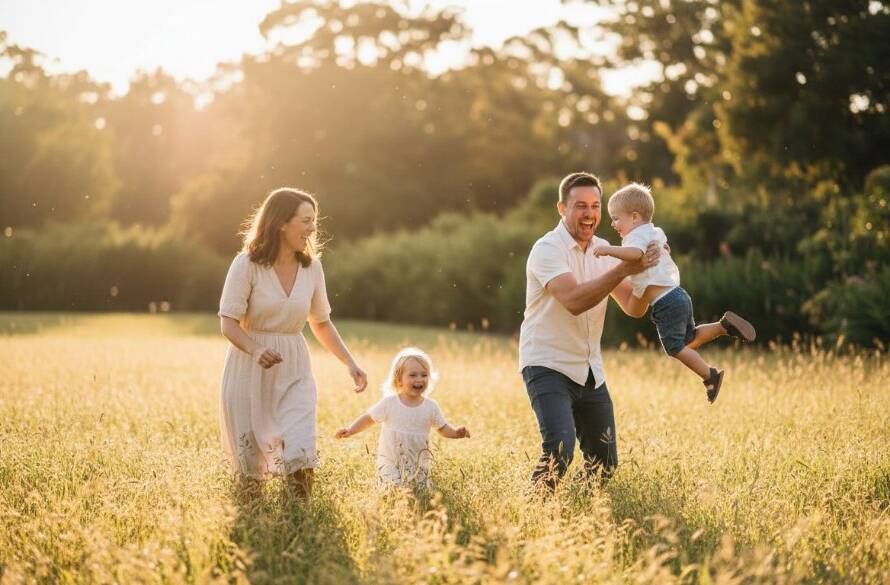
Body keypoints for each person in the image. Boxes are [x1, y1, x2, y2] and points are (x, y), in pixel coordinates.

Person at [218, 187, 368, 500]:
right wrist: (257, 349)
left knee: (301, 445)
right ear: (281, 223)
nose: (313, 228)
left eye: (314, 220)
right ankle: (254, 525)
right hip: (249, 365)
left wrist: (351, 363)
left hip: (294, 367)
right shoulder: (246, 265)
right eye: (306, 220)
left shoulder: (311, 268)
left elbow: (321, 322)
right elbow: (228, 323)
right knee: (250, 464)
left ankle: (300, 520)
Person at [519, 171, 661, 490]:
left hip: (589, 370)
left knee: (605, 463)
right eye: (581, 206)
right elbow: (573, 300)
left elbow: (633, 307)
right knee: (559, 448)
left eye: (596, 206)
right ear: (562, 208)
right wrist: (625, 267)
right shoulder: (547, 249)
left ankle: (577, 516)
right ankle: (533, 511)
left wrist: (652, 275)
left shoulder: (605, 249)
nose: (590, 214)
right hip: (547, 365)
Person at [593, 183, 756, 402]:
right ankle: (722, 326)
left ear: (634, 217)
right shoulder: (654, 231)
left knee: (675, 348)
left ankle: (710, 375)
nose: (612, 224)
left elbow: (634, 253)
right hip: (677, 295)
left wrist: (608, 250)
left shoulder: (634, 238)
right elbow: (664, 248)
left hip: (665, 302)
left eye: (615, 218)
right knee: (689, 339)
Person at [335, 347, 470, 488]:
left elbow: (442, 428)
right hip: (390, 460)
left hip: (418, 463)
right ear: (398, 379)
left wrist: (456, 432)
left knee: (418, 492)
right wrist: (351, 430)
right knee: (392, 489)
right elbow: (369, 418)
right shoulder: (390, 403)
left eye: (424, 375)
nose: (419, 379)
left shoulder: (431, 407)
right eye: (413, 375)